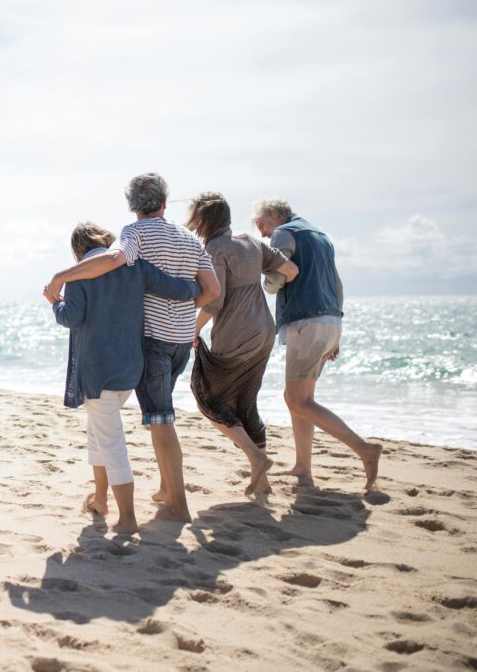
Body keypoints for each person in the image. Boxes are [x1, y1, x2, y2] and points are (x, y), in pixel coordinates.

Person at [44, 173, 220, 522]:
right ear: (165, 203)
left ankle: (152, 510)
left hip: (127, 357)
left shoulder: (118, 249)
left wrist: (60, 286)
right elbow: (203, 289)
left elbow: (101, 278)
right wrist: (185, 311)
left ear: (131, 206)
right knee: (119, 428)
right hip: (171, 347)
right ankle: (116, 496)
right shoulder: (181, 244)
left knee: (144, 427)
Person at [253, 198, 382, 490]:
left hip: (307, 321)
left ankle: (365, 450)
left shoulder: (284, 233)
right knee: (300, 398)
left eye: (261, 224)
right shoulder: (320, 236)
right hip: (330, 320)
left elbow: (277, 276)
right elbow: (337, 285)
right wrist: (336, 328)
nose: (261, 233)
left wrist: (265, 281)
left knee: (298, 400)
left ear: (274, 216)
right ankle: (303, 467)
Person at [185, 192, 300, 496]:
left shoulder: (214, 248)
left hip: (237, 333)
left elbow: (214, 300)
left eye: (196, 216)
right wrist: (262, 283)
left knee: (207, 395)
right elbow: (290, 270)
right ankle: (261, 481)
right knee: (246, 402)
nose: (193, 223)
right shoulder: (250, 241)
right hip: (264, 332)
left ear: (205, 218)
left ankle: (256, 456)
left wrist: (191, 332)